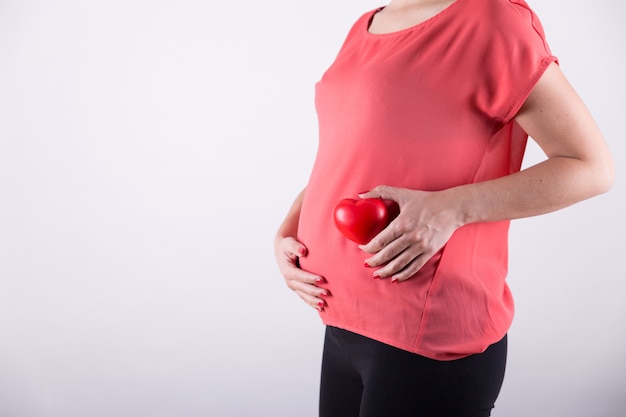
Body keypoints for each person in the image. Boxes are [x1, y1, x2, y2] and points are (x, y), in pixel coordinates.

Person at [274, 0, 614, 416]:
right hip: (341, 323)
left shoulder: (492, 20)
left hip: (427, 337)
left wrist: (449, 209)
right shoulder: (365, 24)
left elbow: (590, 167)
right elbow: (349, 151)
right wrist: (290, 228)